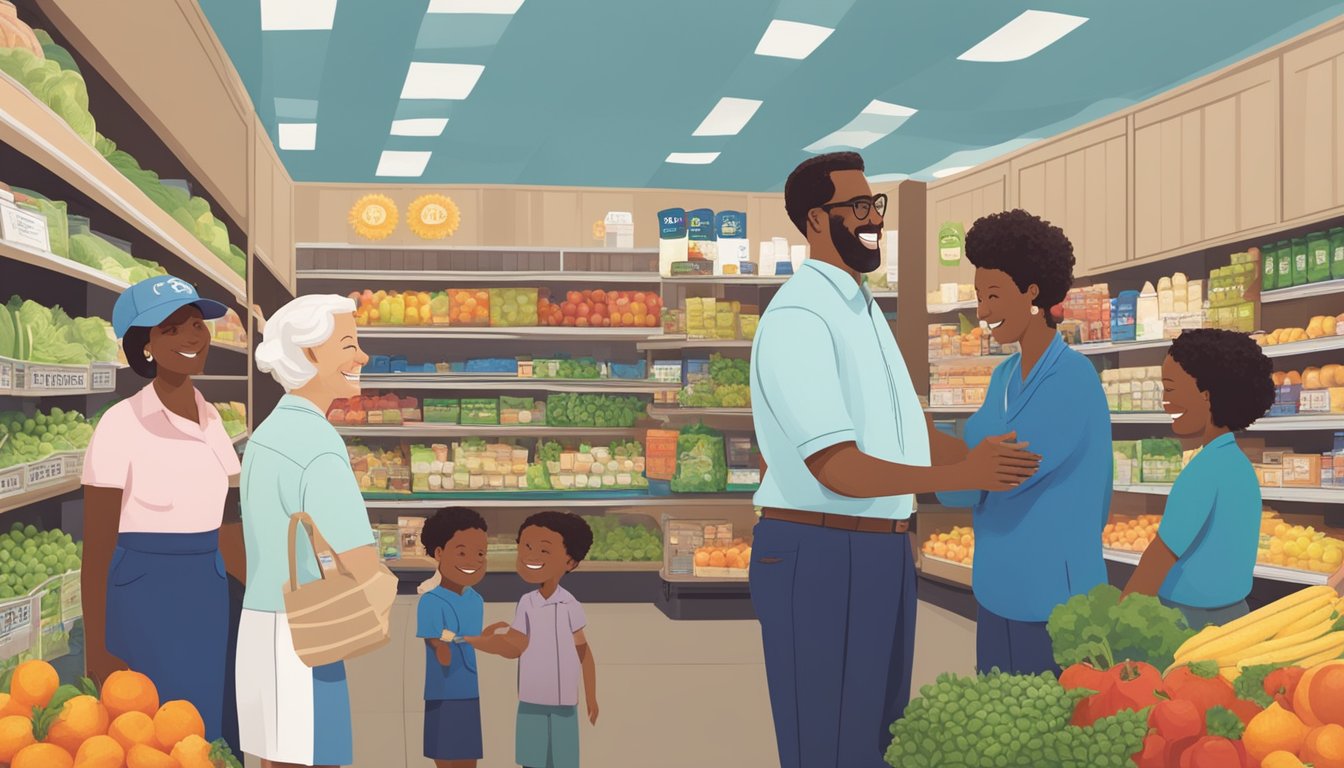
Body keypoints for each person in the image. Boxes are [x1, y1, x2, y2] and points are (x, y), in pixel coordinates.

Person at [749, 152, 1041, 768]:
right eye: (854, 207)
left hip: (881, 549)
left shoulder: (864, 309)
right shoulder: (801, 316)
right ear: (813, 222)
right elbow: (838, 467)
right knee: (825, 745)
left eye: (873, 205)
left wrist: (996, 469)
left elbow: (907, 432)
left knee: (880, 740)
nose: (871, 217)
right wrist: (961, 476)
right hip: (818, 551)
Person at [934, 210, 1114, 676]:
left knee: (1050, 738)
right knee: (1000, 733)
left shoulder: (1072, 378)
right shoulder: (1003, 376)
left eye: (994, 295)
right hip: (998, 590)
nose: (983, 311)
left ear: (1032, 291)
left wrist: (919, 437)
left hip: (1057, 600)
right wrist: (962, 466)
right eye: (979, 297)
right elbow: (968, 473)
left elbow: (1001, 474)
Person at [81, 275, 241, 744]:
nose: (192, 336)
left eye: (196, 324)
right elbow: (97, 546)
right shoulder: (119, 425)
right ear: (143, 345)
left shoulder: (211, 418)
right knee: (150, 732)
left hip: (211, 593)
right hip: (145, 597)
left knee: (208, 727)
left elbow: (228, 524)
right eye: (171, 329)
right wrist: (97, 649)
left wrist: (268, 598)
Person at [236, 294, 389, 768]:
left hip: (260, 624)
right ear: (307, 356)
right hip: (306, 634)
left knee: (272, 758)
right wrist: (384, 587)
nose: (361, 356)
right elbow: (358, 558)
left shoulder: (266, 432)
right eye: (348, 343)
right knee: (312, 755)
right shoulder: (318, 443)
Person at [1122, 329, 1275, 628]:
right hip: (1235, 615)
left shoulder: (1203, 472)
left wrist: (1120, 619)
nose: (1165, 401)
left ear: (1206, 396)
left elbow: (1157, 561)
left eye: (1171, 389)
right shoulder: (1239, 465)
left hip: (1187, 621)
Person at [470, 511, 599, 768]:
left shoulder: (569, 604)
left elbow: (583, 652)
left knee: (562, 762)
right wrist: (484, 641)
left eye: (544, 550)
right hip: (531, 699)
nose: (531, 556)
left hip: (564, 703)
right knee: (532, 761)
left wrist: (591, 696)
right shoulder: (527, 603)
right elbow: (516, 645)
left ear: (570, 562)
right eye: (526, 547)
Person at [417, 507, 488, 768]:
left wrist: (490, 641)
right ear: (439, 553)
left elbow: (472, 637)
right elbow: (435, 638)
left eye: (480, 553)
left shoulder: (476, 600)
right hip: (442, 693)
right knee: (446, 758)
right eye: (461, 552)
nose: (473, 560)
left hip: (469, 690)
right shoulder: (430, 601)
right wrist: (447, 643)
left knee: (468, 759)